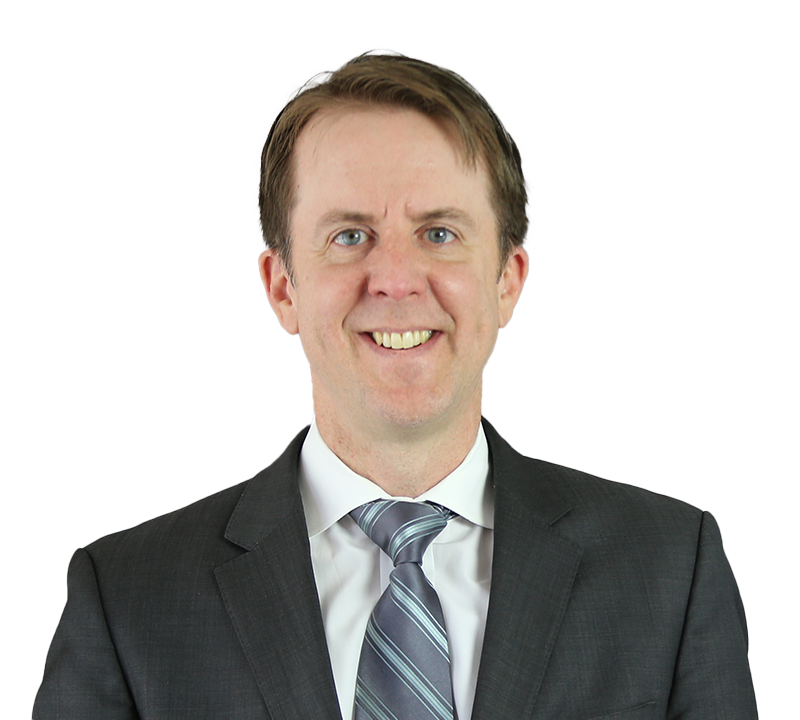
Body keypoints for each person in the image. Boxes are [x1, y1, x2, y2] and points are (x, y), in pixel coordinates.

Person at [32, 50, 758, 720]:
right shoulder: (128, 597)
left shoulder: (668, 568)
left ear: (506, 282)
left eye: (440, 233)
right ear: (282, 288)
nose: (396, 279)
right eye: (349, 236)